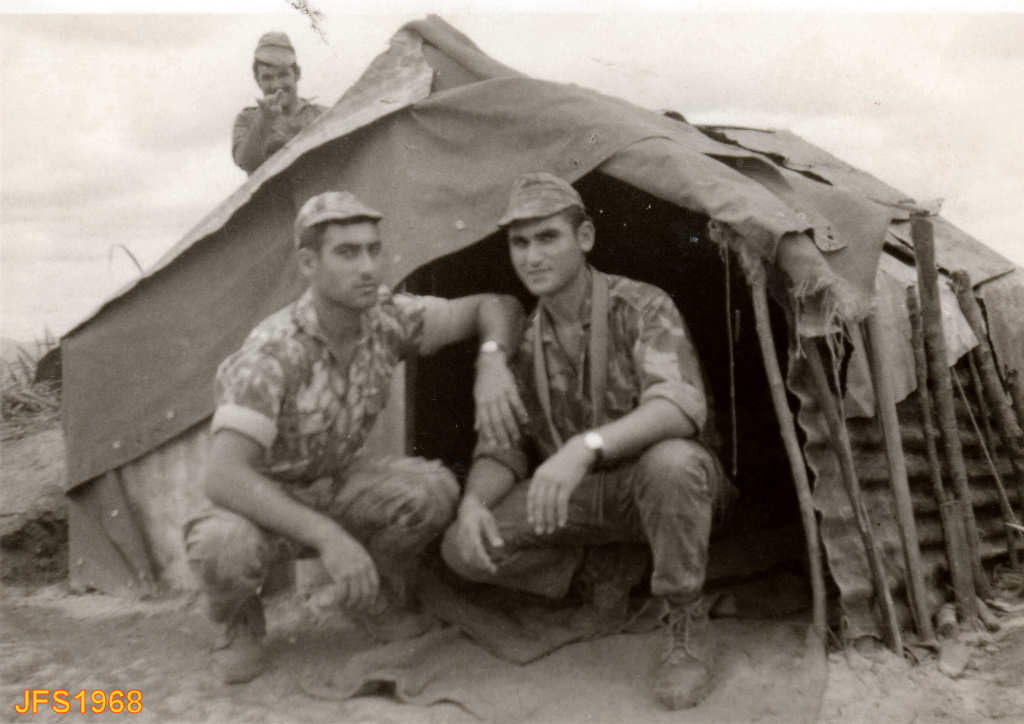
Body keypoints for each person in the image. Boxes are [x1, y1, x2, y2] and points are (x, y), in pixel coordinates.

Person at [185, 190, 527, 684]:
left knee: (431, 491)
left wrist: (492, 362)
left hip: (334, 484)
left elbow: (497, 306)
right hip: (262, 504)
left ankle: (370, 595)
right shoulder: (272, 352)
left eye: (373, 249)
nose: (367, 267)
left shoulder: (386, 320)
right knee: (223, 544)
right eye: (347, 253)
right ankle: (237, 620)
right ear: (309, 263)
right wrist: (329, 538)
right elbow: (223, 477)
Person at [441, 172, 730, 711]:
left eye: (547, 237)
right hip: (586, 501)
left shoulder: (640, 306)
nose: (532, 256)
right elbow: (502, 450)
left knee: (672, 464)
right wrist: (474, 502)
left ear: (586, 237)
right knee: (462, 546)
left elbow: (679, 407)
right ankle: (602, 576)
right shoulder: (525, 342)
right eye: (519, 243)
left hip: (661, 488)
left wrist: (583, 447)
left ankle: (684, 618)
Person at [232, 32, 328, 174]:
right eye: (267, 78)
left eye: (283, 75)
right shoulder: (247, 119)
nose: (276, 85)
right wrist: (265, 120)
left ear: (297, 74)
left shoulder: (323, 115)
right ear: (258, 80)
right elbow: (246, 163)